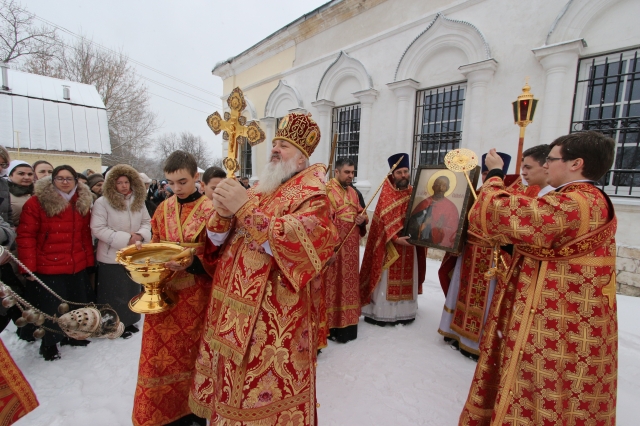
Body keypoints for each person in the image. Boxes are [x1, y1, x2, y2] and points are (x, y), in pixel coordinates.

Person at [459, 131, 618, 425]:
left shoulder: (575, 202)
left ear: (576, 163)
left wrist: (494, 175)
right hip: (570, 314)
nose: (546, 166)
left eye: (552, 160)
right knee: (565, 389)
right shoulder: (590, 199)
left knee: (542, 387)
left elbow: (496, 212)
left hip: (555, 318)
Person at [189, 112, 337, 425]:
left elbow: (301, 246)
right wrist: (221, 215)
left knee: (253, 397)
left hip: (270, 322)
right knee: (227, 385)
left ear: (300, 159)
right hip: (229, 311)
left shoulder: (314, 196)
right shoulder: (258, 189)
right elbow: (219, 242)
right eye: (275, 143)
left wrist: (243, 209)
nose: (275, 149)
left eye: (284, 145)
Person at [132, 151, 216, 426]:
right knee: (160, 358)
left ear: (196, 177)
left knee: (195, 355)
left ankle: (195, 409)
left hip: (197, 297)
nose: (176, 188)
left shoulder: (213, 211)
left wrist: (193, 264)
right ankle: (165, 412)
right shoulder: (163, 208)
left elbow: (221, 258)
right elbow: (157, 242)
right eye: (171, 182)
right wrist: (147, 254)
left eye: (183, 181)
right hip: (165, 295)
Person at [436, 156, 511, 361]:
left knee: (485, 300)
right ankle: (455, 332)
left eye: (490, 173)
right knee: (460, 292)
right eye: (484, 173)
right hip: (468, 254)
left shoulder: (507, 197)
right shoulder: (474, 193)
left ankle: (477, 343)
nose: (486, 177)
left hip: (490, 258)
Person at [17, 165, 94, 361]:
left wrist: (88, 261)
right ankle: (50, 343)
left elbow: (85, 235)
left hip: (76, 262)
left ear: (76, 181)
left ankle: (74, 335)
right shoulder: (37, 202)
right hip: (48, 264)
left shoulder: (82, 202)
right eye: (60, 178)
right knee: (51, 307)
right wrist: (28, 267)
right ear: (53, 180)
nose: (65, 182)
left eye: (69, 178)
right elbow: (26, 236)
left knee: (76, 302)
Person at [359, 153, 426, 326]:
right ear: (393, 174)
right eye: (400, 172)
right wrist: (395, 238)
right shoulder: (386, 193)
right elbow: (382, 223)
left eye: (406, 171)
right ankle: (382, 313)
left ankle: (405, 312)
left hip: (409, 246)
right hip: (389, 247)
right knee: (386, 281)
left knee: (407, 279)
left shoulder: (414, 193)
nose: (404, 175)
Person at [90, 165, 151, 340]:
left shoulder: (137, 200)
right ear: (111, 184)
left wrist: (140, 235)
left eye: (126, 182)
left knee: (130, 289)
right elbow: (98, 228)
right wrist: (126, 239)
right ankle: (113, 324)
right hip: (111, 255)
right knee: (113, 291)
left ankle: (130, 320)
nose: (124, 186)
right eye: (119, 183)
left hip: (134, 253)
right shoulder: (102, 202)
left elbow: (147, 221)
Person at [325, 158, 367, 343]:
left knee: (348, 284)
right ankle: (330, 326)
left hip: (351, 250)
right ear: (336, 172)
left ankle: (348, 325)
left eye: (353, 172)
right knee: (332, 285)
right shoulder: (326, 191)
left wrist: (362, 218)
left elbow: (361, 212)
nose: (351, 176)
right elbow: (323, 219)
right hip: (335, 247)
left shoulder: (353, 193)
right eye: (347, 172)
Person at [406, 175, 459, 248]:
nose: (440, 188)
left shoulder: (451, 207)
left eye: (444, 185)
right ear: (433, 187)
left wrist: (441, 228)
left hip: (439, 247)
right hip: (419, 246)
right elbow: (411, 226)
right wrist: (424, 224)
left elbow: (454, 232)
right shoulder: (423, 204)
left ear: (448, 188)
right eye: (438, 185)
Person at [7, 161, 34, 226]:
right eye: (21, 174)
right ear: (10, 175)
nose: (27, 177)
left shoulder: (39, 192)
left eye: (30, 174)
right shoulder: (4, 193)